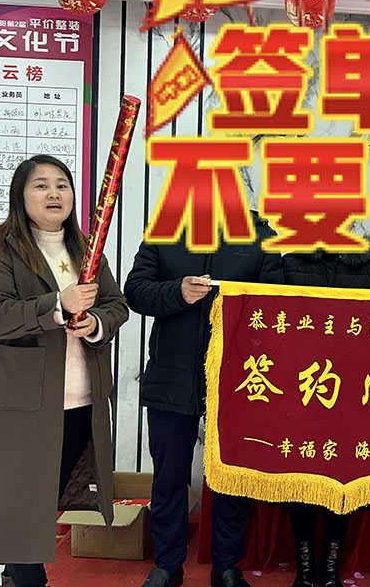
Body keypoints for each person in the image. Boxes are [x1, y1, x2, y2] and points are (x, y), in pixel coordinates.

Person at [0, 155, 129, 587]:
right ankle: (28, 579)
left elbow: (116, 305)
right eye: (41, 185)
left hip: (81, 399)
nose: (54, 193)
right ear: (20, 196)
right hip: (22, 405)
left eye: (62, 185)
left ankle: (12, 575)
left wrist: (96, 323)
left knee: (47, 494)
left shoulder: (86, 250)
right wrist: (57, 305)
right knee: (22, 501)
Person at [124, 215, 284, 587]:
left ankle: (227, 566)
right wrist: (176, 292)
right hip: (171, 377)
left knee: (230, 476)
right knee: (169, 478)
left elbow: (277, 304)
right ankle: (168, 566)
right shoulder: (165, 231)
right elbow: (136, 291)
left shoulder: (262, 237)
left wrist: (243, 303)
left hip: (237, 379)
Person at [282, 233, 370, 587]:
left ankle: (330, 567)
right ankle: (304, 568)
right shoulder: (290, 262)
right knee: (301, 480)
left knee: (340, 480)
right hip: (303, 388)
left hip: (352, 391)